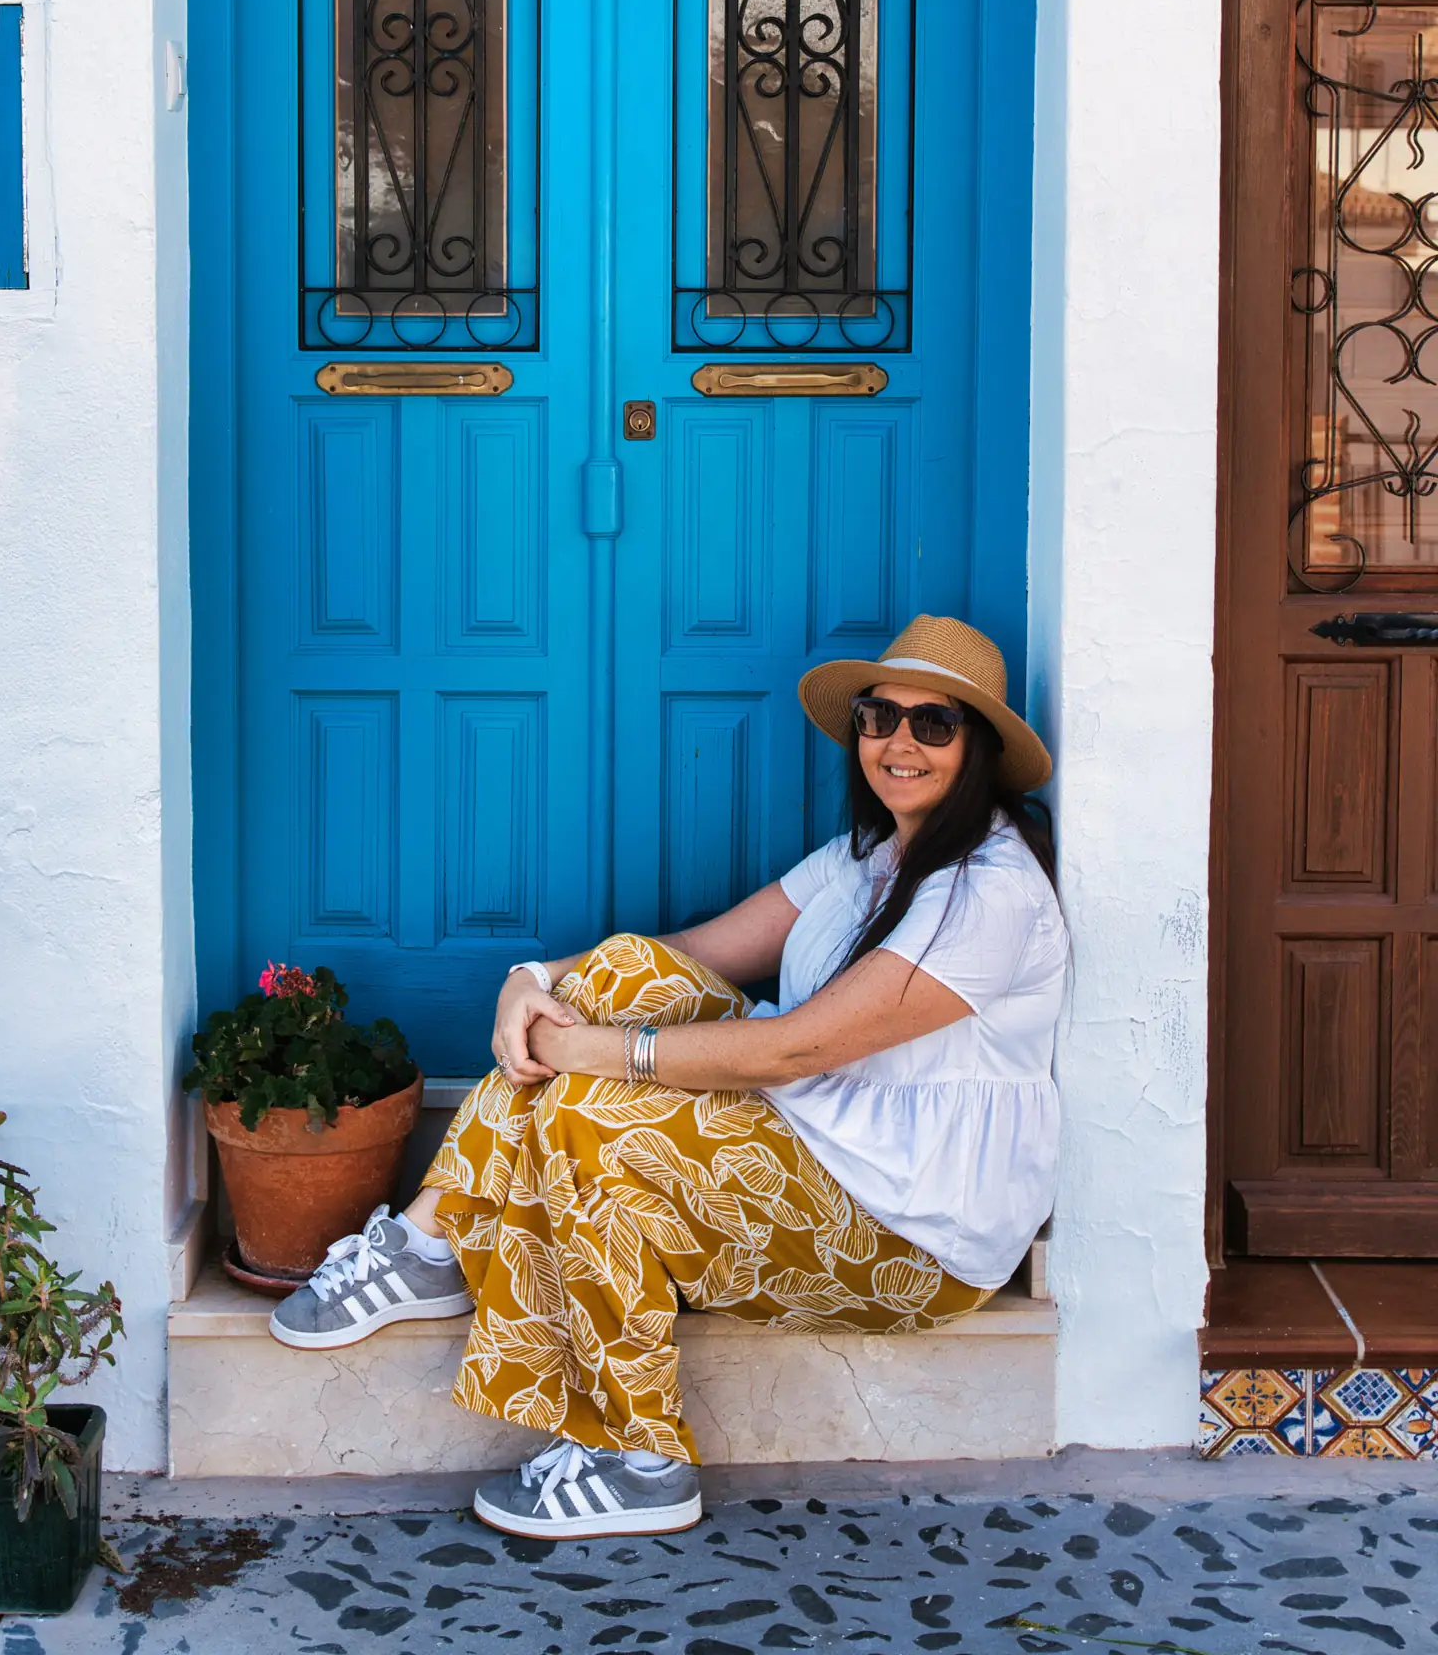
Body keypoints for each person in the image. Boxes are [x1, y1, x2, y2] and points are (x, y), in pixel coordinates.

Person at [270, 613, 1066, 1541]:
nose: (898, 743)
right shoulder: (871, 858)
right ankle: (430, 1237)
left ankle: (640, 1458)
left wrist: (604, 1054)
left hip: (909, 1232)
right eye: (879, 715)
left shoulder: (990, 892)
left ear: (978, 751)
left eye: (935, 725)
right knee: (623, 970)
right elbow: (697, 953)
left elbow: (794, 1049)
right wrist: (534, 982)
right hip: (820, 1148)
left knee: (592, 1117)